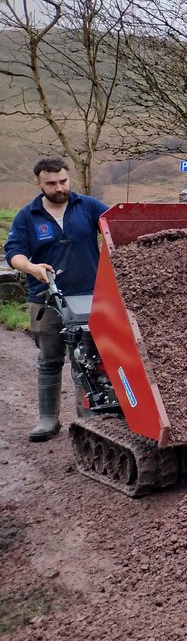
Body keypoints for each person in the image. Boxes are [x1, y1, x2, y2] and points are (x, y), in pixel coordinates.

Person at [4, 158, 108, 442]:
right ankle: (48, 419)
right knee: (50, 359)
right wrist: (32, 268)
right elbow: (13, 252)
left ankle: (90, 419)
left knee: (88, 360)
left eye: (63, 181)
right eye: (51, 183)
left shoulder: (88, 207)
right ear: (39, 184)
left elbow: (117, 229)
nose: (59, 187)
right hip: (46, 300)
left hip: (90, 299)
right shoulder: (28, 216)